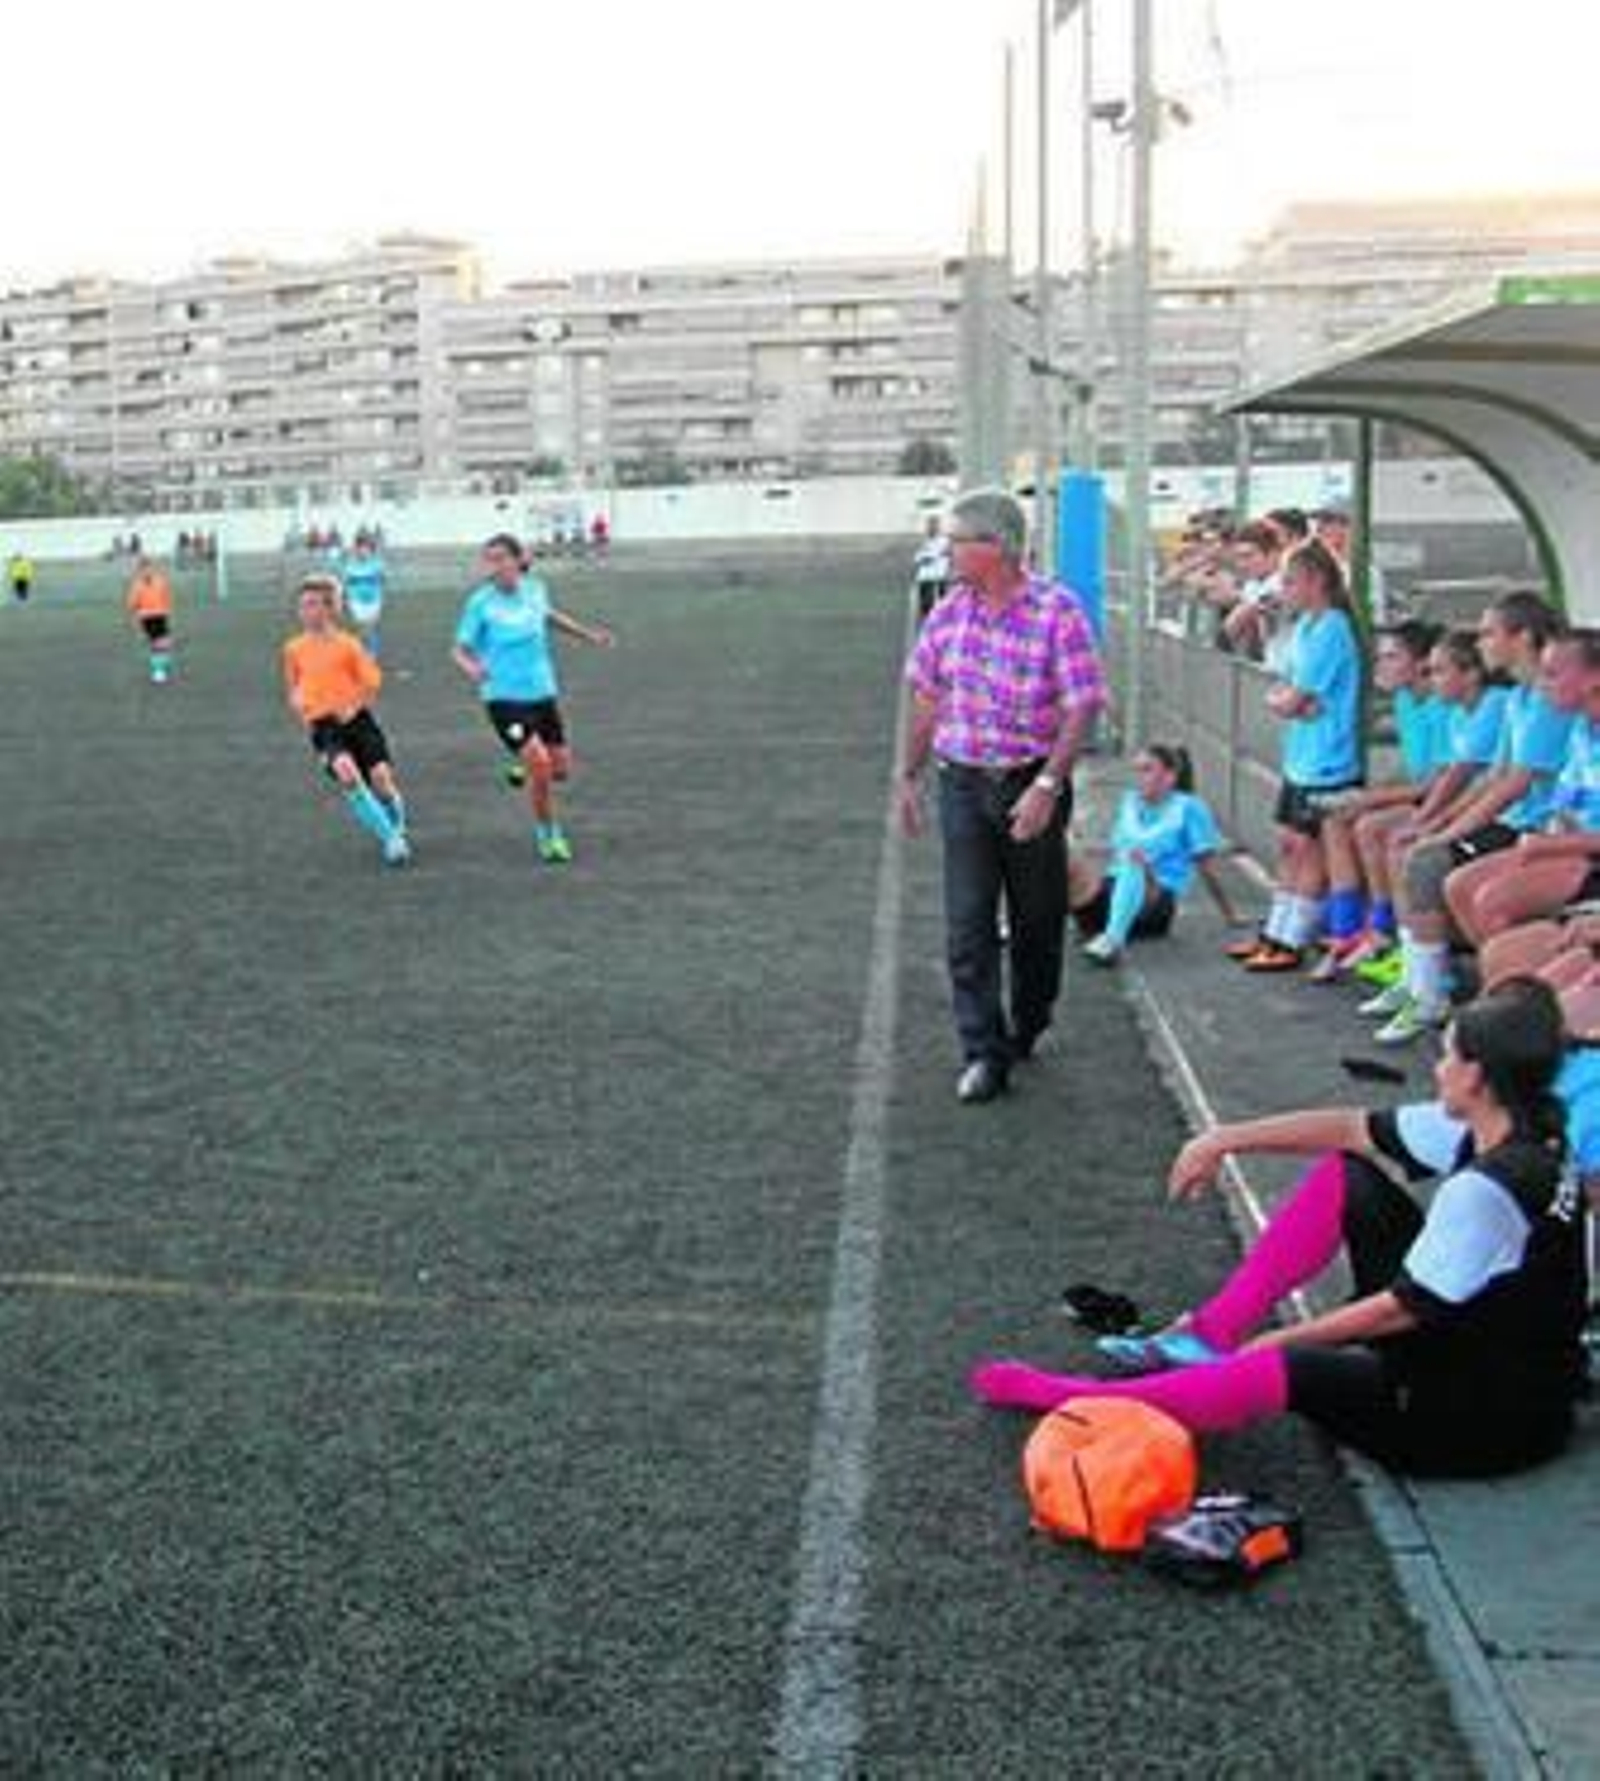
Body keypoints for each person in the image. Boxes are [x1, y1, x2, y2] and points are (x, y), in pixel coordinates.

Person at [971, 977, 1588, 1480]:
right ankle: (1213, 1333)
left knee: (1287, 1369)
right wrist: (1223, 1140)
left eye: (1449, 1054)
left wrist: (1289, 1342)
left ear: (1478, 1077)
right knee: (1347, 1177)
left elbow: (1400, 1311)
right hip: (1503, 1363)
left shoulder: (1485, 1188)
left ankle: (1066, 1397)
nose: (1438, 1066)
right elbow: (1352, 1129)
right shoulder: (1523, 1122)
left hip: (1479, 1426)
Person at [897, 487, 1107, 1103]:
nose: (949, 552)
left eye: (958, 541)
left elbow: (1081, 703)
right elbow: (928, 699)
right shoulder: (947, 613)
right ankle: (983, 1051)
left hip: (1029, 780)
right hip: (961, 781)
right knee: (968, 923)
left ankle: (1030, 1019)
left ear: (996, 547)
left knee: (1038, 920)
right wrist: (907, 776)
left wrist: (1048, 784)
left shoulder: (1056, 610)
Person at [1363, 591, 1571, 1043]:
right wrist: (1436, 826)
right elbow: (1493, 778)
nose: (1482, 642)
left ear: (1524, 637)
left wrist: (1445, 833)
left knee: (1429, 863)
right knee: (1414, 849)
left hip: (1530, 827)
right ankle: (1422, 982)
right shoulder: (1519, 697)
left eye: (1490, 633)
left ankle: (1438, 994)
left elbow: (1514, 786)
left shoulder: (1545, 701)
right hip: (1514, 823)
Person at [1230, 539, 1364, 972]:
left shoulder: (1333, 628)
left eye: (1290, 580)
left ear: (1317, 581)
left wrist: (1291, 700)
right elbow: (1283, 689)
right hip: (1300, 756)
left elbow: (1294, 698)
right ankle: (1275, 930)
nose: (1283, 589)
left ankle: (1292, 939)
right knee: (1290, 844)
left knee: (1307, 849)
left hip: (1328, 759)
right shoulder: (1304, 627)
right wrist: (1290, 700)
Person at [452, 532, 615, 865]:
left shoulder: (535, 589)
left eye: (500, 558)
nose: (493, 566)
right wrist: (473, 668)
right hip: (502, 696)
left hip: (542, 692)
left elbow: (549, 617)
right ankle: (549, 835)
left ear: (516, 561)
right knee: (540, 766)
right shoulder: (480, 602)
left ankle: (522, 763)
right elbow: (459, 648)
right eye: (488, 560)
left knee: (561, 770)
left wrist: (587, 634)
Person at [1070, 744, 1245, 965]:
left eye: (1147, 770)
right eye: (1137, 770)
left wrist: (1230, 914)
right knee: (1064, 853)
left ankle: (1112, 941)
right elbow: (1114, 850)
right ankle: (1029, 928)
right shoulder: (1130, 801)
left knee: (1135, 860)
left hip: (1155, 903)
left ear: (1170, 776)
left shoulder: (1189, 808)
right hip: (1112, 892)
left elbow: (1206, 868)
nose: (1139, 777)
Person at [282, 573, 411, 867]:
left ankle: (397, 826)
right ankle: (391, 839)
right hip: (325, 727)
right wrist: (301, 708)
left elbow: (373, 681)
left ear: (330, 608)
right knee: (347, 773)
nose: (305, 611)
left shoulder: (348, 645)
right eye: (302, 605)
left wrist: (354, 705)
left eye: (313, 604)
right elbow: (293, 687)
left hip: (358, 722)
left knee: (381, 781)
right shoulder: (293, 649)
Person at [124, 557, 176, 685]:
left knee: (165, 644)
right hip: (147, 617)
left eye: (148, 568)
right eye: (143, 569)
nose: (146, 571)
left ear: (152, 568)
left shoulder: (160, 581)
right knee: (157, 644)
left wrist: (168, 611)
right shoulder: (137, 585)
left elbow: (166, 597)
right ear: (139, 571)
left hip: (161, 615)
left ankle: (160, 664)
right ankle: (158, 672)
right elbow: (131, 604)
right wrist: (135, 616)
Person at [339, 534, 389, 660]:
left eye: (366, 548)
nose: (363, 551)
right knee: (362, 627)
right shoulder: (350, 565)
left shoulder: (377, 564)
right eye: (360, 548)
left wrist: (379, 591)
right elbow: (345, 583)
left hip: (374, 600)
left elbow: (383, 580)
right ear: (356, 549)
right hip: (356, 601)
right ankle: (360, 651)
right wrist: (345, 597)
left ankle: (372, 652)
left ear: (370, 550)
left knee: (371, 627)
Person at [910, 514, 952, 620]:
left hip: (938, 578)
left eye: (934, 525)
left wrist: (930, 556)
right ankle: (928, 627)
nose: (930, 528)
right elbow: (917, 559)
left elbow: (945, 554)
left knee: (942, 608)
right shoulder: (925, 542)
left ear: (938, 527)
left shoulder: (944, 541)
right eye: (929, 525)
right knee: (926, 610)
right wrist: (927, 557)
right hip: (925, 579)